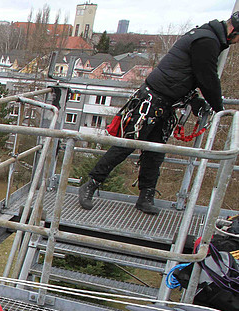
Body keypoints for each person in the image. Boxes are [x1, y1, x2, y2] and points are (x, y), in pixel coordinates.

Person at [79, 13, 239, 215]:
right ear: (234, 31)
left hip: (164, 101)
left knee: (155, 152)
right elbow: (206, 77)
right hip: (153, 100)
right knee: (127, 145)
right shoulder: (207, 41)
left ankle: (146, 195)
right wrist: (220, 109)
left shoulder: (205, 36)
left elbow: (184, 73)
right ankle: (91, 183)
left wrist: (193, 99)